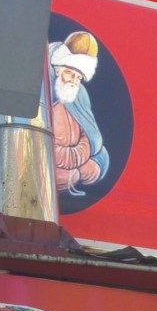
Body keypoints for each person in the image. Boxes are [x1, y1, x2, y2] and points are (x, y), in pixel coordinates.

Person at [48, 30, 109, 196]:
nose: (74, 81)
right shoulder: (43, 90)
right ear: (58, 69)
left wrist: (79, 154)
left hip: (77, 160)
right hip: (48, 161)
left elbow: (90, 136)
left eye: (78, 77)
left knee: (96, 165)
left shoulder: (79, 93)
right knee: (66, 175)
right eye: (70, 74)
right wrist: (73, 158)